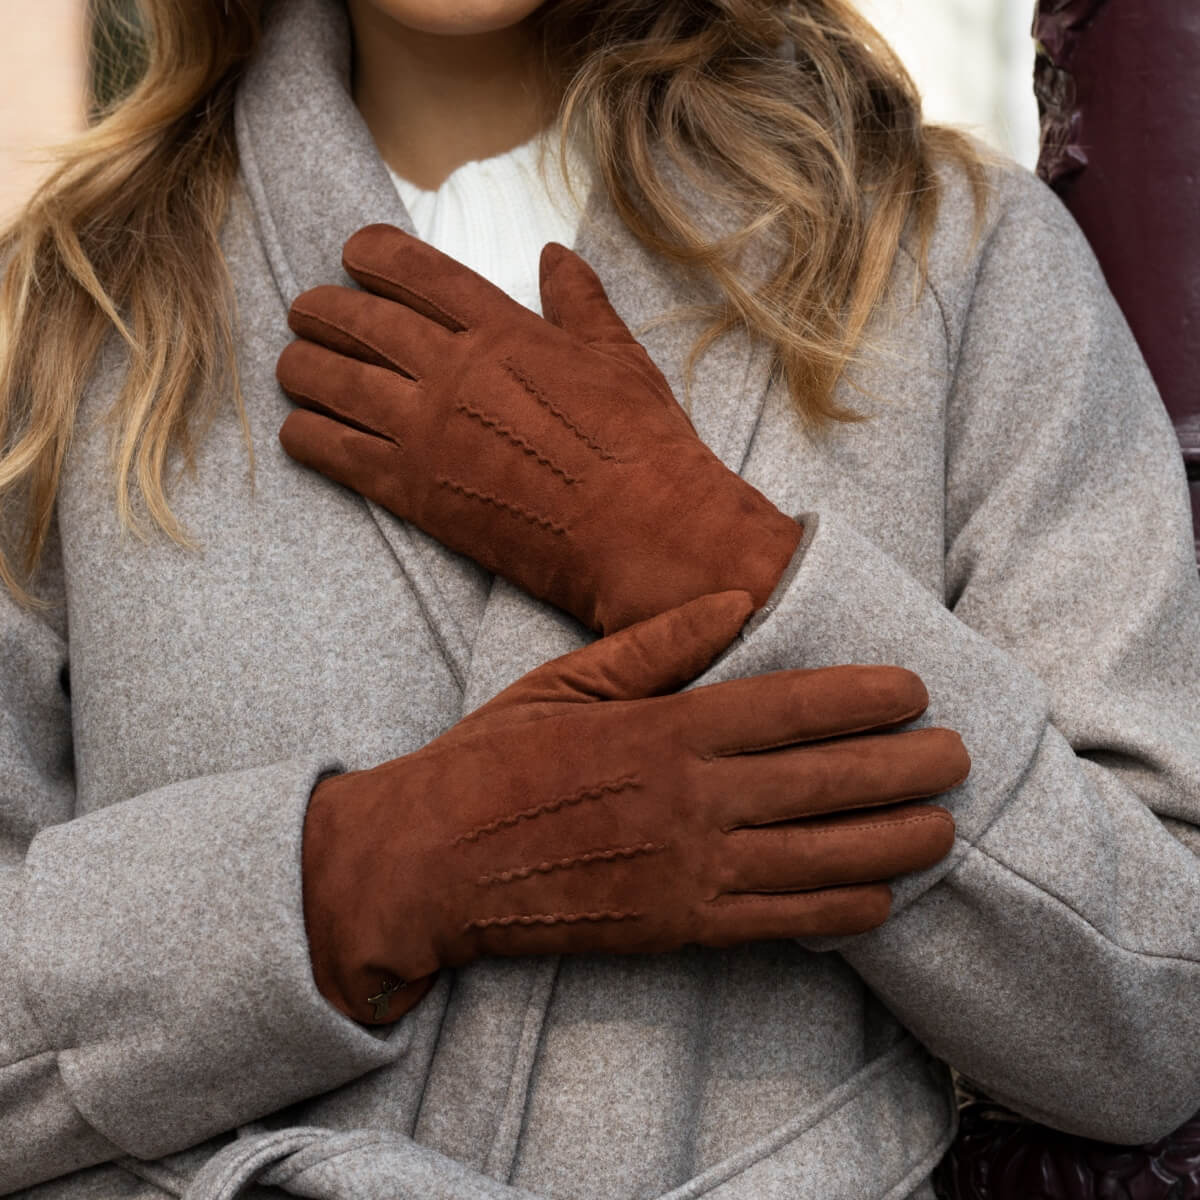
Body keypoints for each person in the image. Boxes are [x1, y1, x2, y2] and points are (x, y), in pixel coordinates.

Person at [1, 0, 1198, 1197]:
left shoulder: (944, 253)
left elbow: (1164, 1007)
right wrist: (367, 878)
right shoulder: (68, 305)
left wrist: (716, 559)